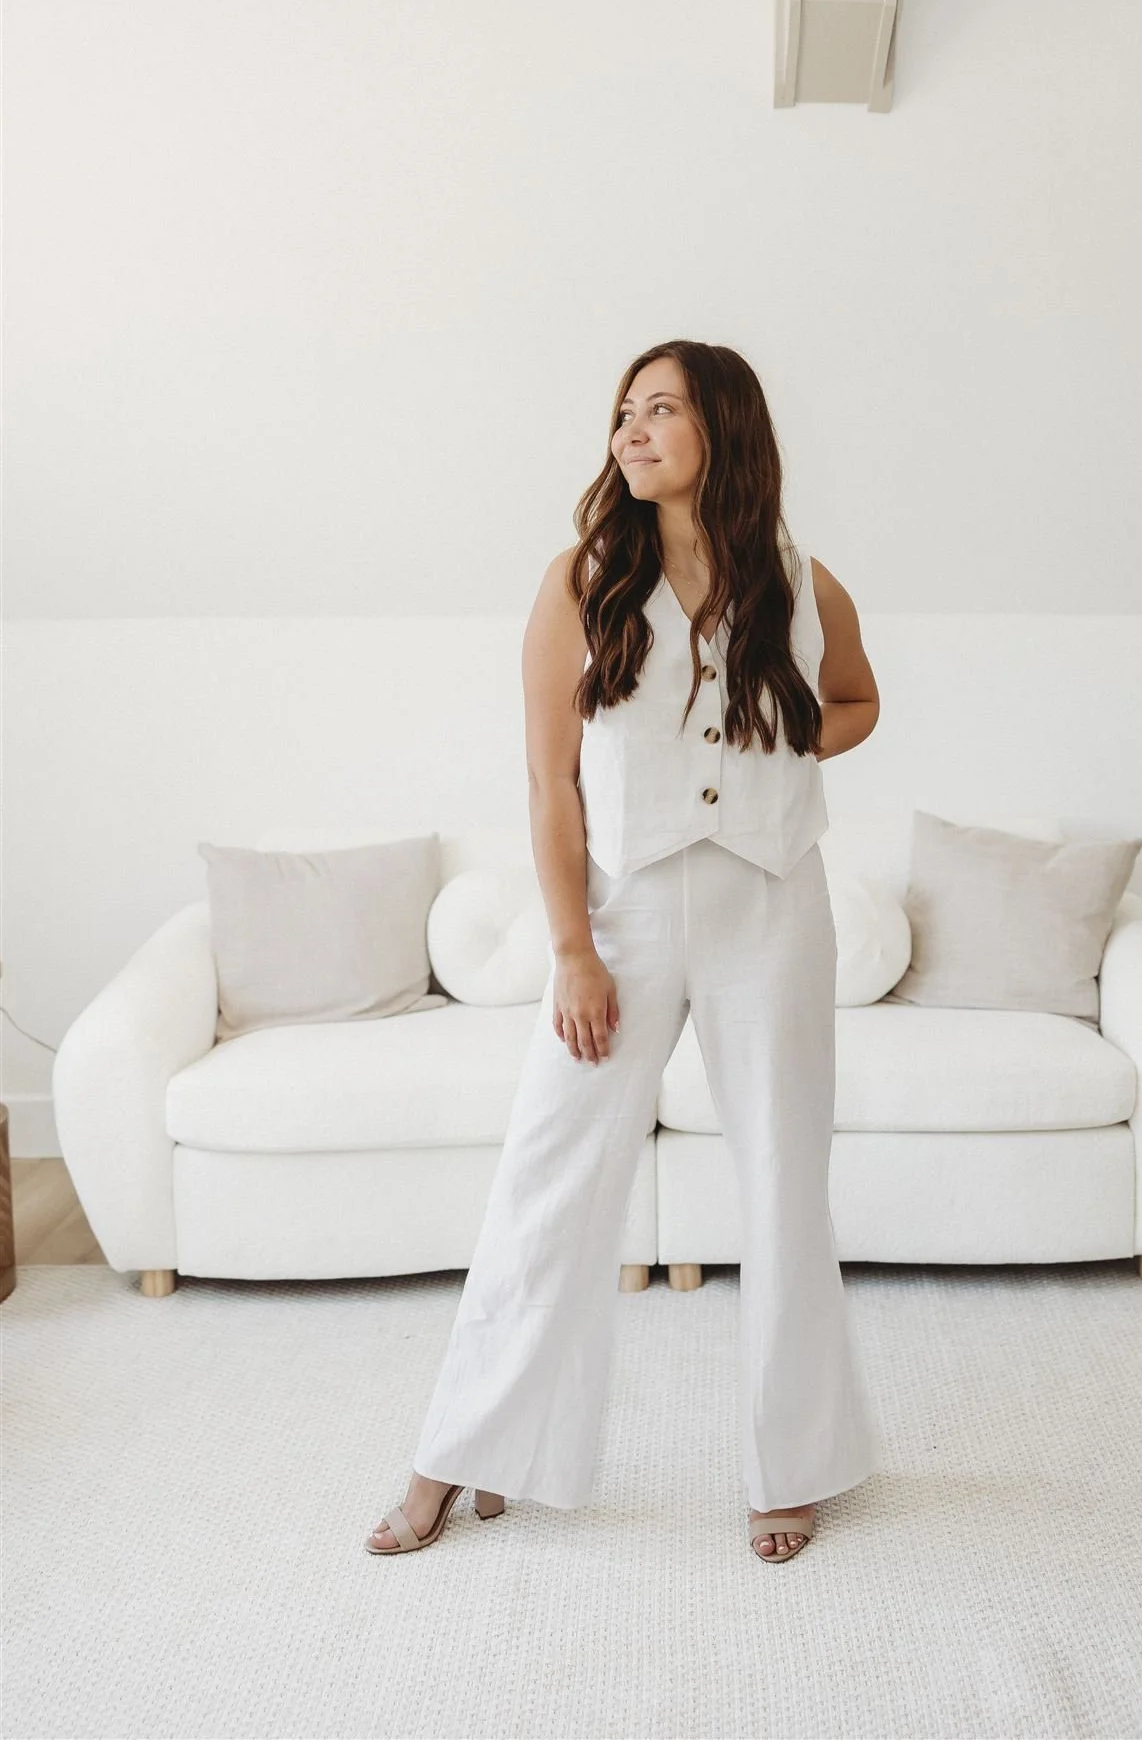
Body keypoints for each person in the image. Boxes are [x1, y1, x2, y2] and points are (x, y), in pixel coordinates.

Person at [366, 340, 882, 1563]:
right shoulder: (580, 579)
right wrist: (571, 948)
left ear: (725, 429)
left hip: (773, 906)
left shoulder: (804, 583)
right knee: (547, 1176)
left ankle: (792, 1461)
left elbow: (856, 701)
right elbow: (549, 782)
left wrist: (784, 741)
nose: (632, 429)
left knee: (784, 1183)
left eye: (663, 408)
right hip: (624, 917)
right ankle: (460, 1450)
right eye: (625, 411)